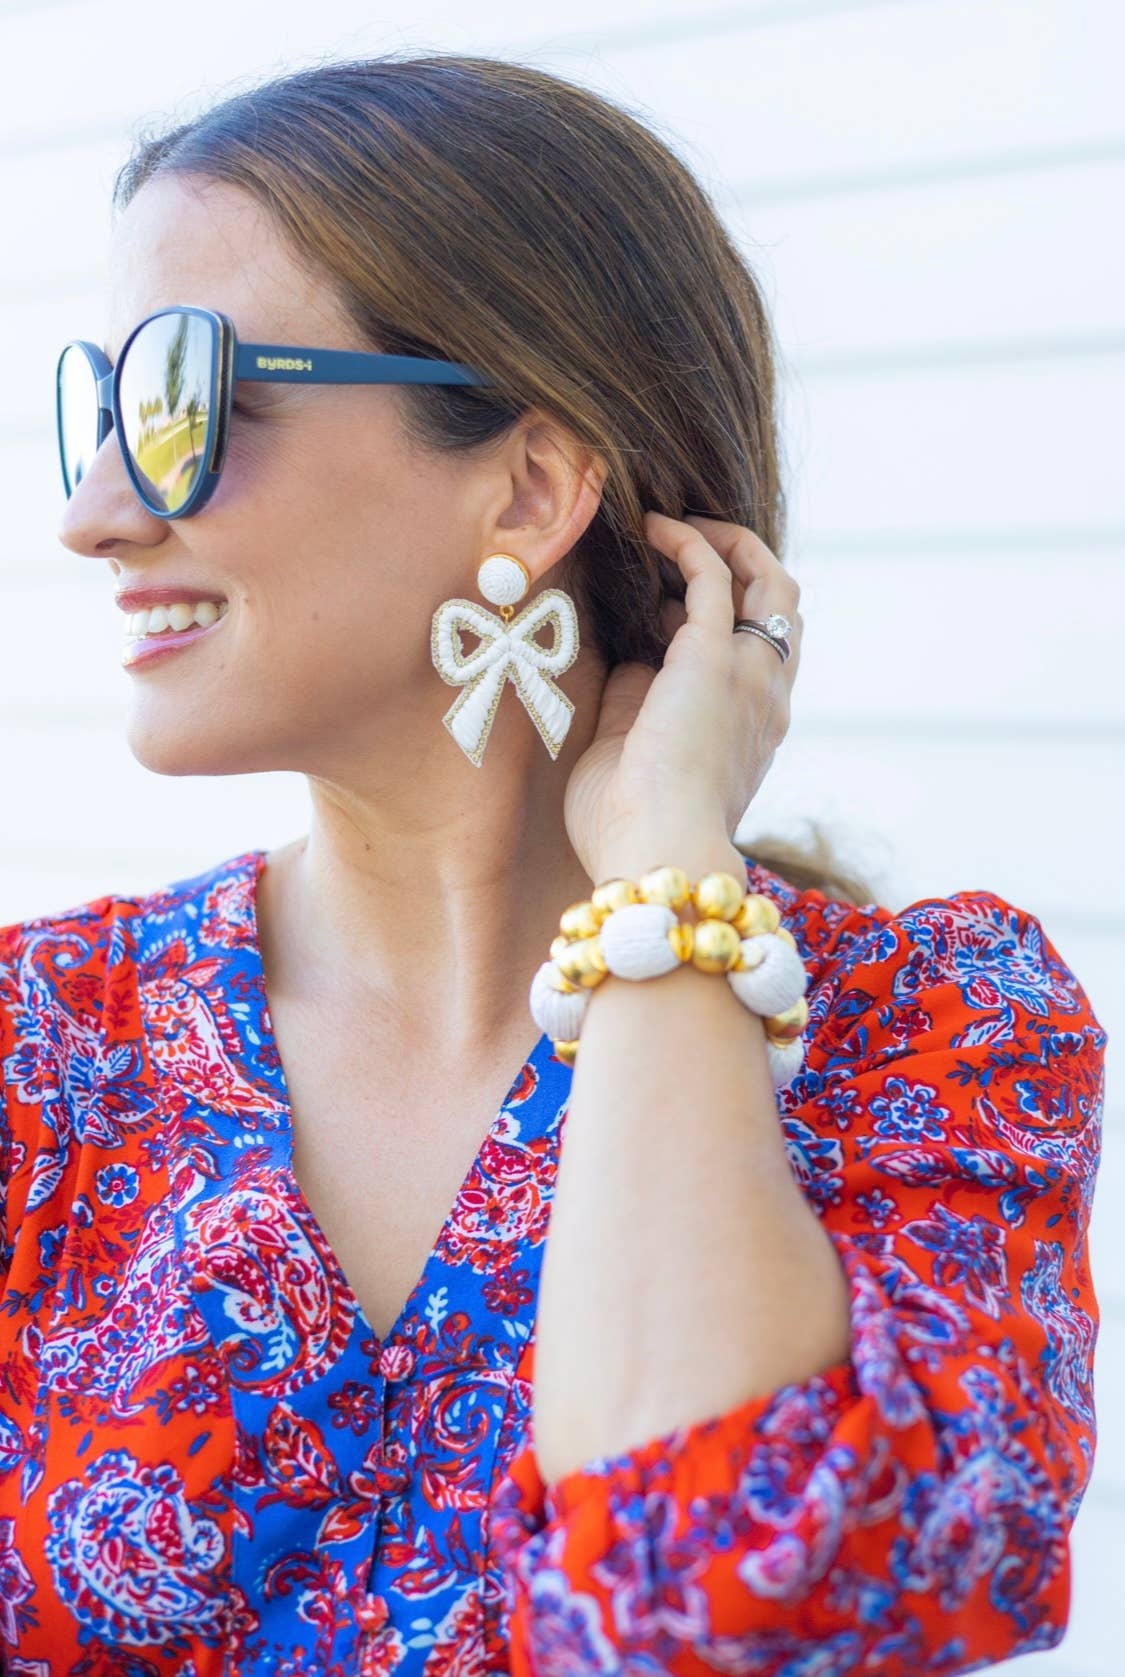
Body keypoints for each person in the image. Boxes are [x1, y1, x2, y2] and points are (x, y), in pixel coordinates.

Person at [0, 52, 1105, 1676]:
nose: (96, 511)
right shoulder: (44, 1051)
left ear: (526, 484)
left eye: (186, 408)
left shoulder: (936, 1044)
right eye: (100, 409)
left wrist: (661, 874)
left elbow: (723, 1598)